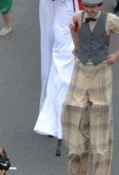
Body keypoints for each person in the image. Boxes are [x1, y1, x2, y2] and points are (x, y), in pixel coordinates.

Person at [61, 0, 119, 175]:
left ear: (100, 7)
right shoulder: (76, 18)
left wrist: (117, 55)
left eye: (94, 7)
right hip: (81, 69)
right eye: (88, 6)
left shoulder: (110, 20)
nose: (90, 10)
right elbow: (73, 32)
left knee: (101, 144)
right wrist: (76, 47)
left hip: (101, 71)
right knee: (71, 111)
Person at [34, 0, 78, 153]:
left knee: (64, 68)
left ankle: (61, 119)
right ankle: (57, 119)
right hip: (62, 15)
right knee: (58, 69)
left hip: (73, 13)